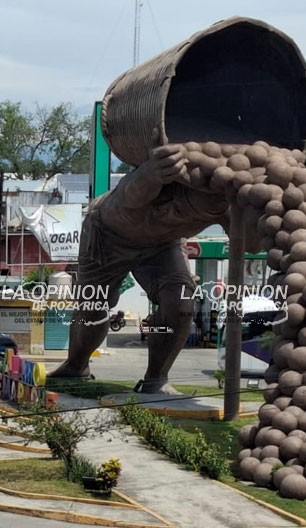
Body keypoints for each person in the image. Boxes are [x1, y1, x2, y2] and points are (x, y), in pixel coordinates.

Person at [47, 130, 261, 395]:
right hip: (106, 237)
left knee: (181, 299)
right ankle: (76, 365)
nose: (173, 213)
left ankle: (156, 378)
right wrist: (154, 172)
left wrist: (256, 211)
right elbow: (134, 189)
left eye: (184, 214)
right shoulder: (149, 179)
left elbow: (252, 245)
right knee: (93, 304)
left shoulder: (223, 198)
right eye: (174, 207)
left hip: (163, 244)